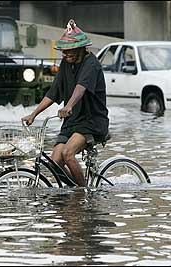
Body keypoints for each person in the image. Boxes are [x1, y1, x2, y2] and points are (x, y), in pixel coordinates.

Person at [21, 19, 109, 187]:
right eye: (64, 51)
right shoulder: (66, 63)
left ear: (82, 49)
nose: (65, 54)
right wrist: (34, 114)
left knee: (68, 154)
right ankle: (74, 188)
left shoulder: (91, 64)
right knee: (54, 163)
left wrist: (68, 106)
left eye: (70, 51)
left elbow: (80, 88)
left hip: (91, 121)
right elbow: (53, 93)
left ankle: (84, 193)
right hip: (72, 121)